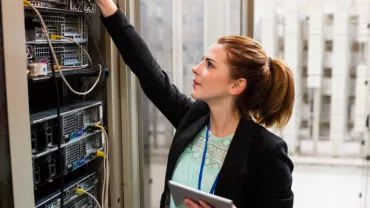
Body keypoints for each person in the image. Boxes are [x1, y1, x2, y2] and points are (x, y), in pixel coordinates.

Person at [96, 0, 295, 207]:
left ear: (236, 85)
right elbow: (150, 74)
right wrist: (109, 8)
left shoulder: (268, 151)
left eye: (209, 64)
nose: (196, 68)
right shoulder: (193, 118)